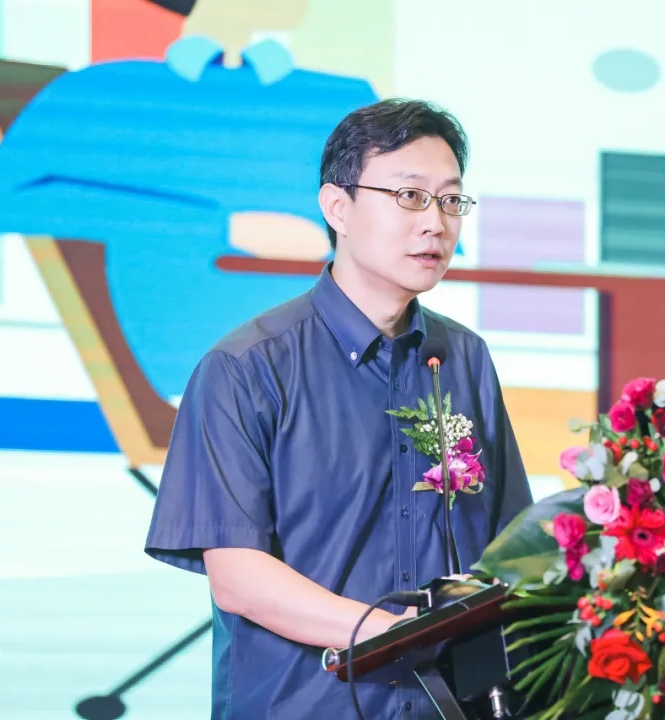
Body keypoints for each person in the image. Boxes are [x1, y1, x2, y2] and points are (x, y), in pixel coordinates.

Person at [144, 98, 534, 719]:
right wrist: (393, 634)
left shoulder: (464, 357)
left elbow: (510, 545)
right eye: (410, 196)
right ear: (338, 207)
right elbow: (238, 577)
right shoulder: (247, 368)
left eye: (451, 200)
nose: (435, 223)